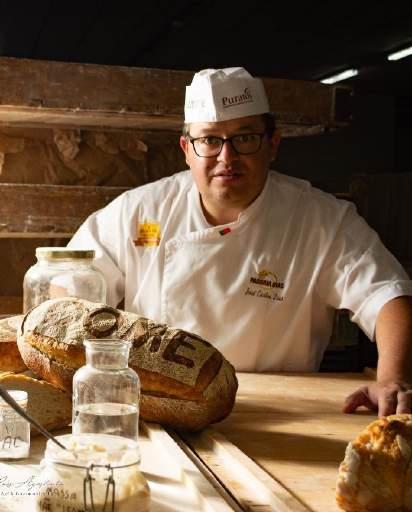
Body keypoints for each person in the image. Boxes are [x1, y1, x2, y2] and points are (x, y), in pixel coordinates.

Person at [68, 67, 412, 417]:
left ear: (272, 144)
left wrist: (392, 377)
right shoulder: (139, 211)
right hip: (162, 405)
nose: (226, 157)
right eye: (209, 140)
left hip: (280, 409)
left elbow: (386, 294)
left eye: (244, 138)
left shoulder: (321, 220)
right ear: (186, 149)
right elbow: (70, 282)